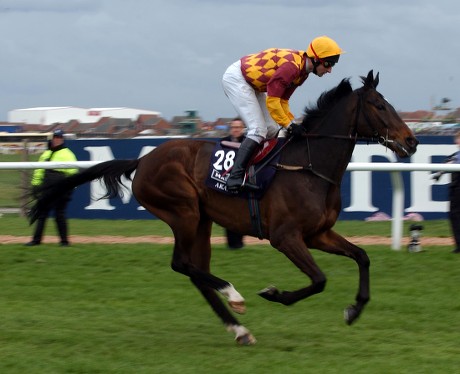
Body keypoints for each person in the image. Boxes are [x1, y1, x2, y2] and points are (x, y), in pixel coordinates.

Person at [222, 35, 344, 192]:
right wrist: (289, 125)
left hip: (254, 85)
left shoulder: (302, 72)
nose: (329, 70)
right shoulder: (292, 68)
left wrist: (292, 124)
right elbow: (273, 101)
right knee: (258, 130)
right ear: (316, 59)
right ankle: (234, 178)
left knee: (272, 130)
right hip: (238, 79)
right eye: (328, 64)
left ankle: (254, 174)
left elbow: (283, 102)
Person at [26, 129, 78, 247]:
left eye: (59, 137)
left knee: (59, 214)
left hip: (61, 188)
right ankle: (36, 240)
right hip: (46, 187)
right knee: (42, 214)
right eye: (55, 137)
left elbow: (74, 173)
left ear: (62, 139)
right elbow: (39, 170)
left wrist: (70, 188)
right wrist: (35, 184)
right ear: (53, 138)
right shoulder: (46, 154)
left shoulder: (68, 154)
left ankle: (64, 242)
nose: (57, 139)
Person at [432, 130, 460, 253]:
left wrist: (440, 172)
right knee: (454, 216)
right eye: (457, 139)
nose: (457, 141)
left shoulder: (455, 157)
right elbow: (448, 163)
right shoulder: (455, 155)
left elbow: (452, 163)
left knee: (455, 215)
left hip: (457, 189)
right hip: (455, 188)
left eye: (458, 138)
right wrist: (439, 173)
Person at [221, 118, 246, 249]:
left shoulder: (248, 142)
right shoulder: (223, 142)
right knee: (227, 214)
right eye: (233, 127)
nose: (236, 129)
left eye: (238, 127)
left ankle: (239, 243)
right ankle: (231, 244)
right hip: (225, 183)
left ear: (242, 128)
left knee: (240, 214)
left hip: (242, 184)